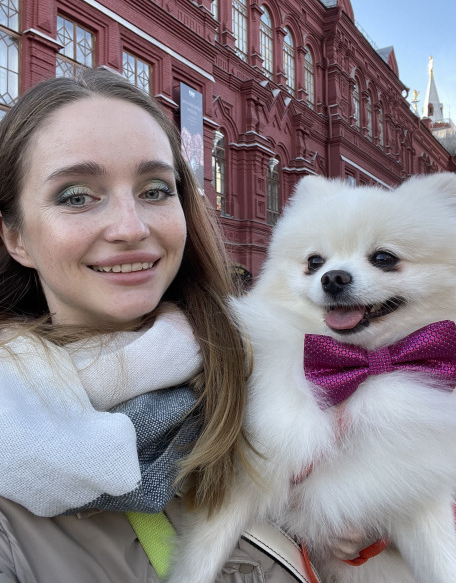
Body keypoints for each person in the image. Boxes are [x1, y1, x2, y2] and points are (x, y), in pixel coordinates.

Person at [0, 67, 340, 582]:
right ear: (15, 238)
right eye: (76, 196)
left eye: (156, 190)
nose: (131, 228)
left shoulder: (285, 378)